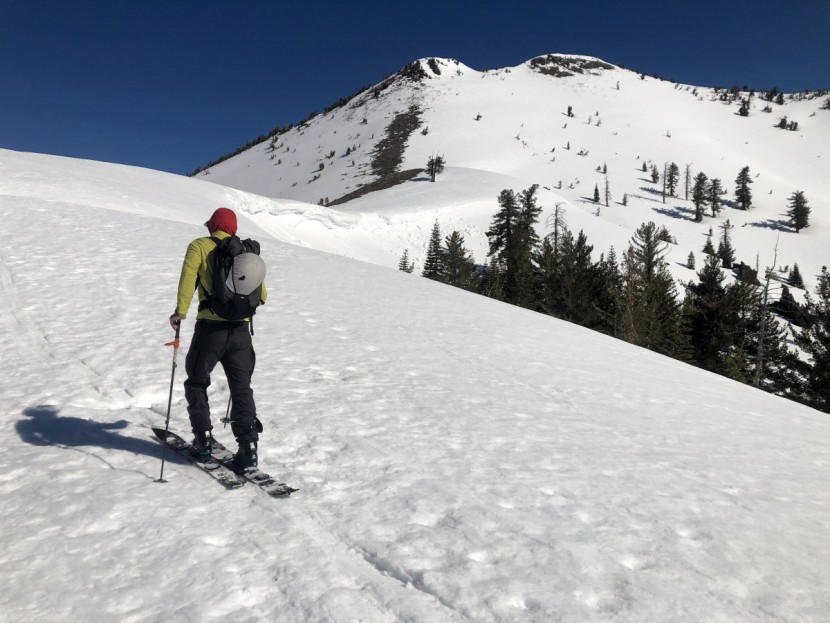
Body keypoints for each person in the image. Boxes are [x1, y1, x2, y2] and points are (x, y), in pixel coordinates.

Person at [168, 207, 266, 471]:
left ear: (212, 225)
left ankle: (202, 441)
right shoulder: (246, 253)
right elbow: (262, 295)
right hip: (242, 334)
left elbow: (188, 279)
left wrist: (180, 311)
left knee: (197, 382)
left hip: (211, 330)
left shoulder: (199, 246)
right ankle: (248, 449)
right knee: (241, 388)